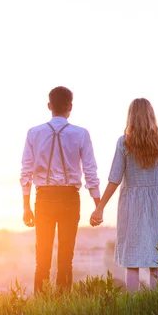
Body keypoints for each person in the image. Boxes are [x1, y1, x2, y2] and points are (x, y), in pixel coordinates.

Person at [20, 86, 101, 294]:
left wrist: (26, 207)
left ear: (49, 106)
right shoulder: (81, 134)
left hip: (44, 199)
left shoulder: (34, 133)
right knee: (66, 260)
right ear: (70, 107)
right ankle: (63, 306)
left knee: (43, 259)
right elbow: (90, 171)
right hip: (70, 199)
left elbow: (26, 173)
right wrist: (97, 206)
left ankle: (41, 307)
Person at [90, 98, 158, 292]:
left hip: (131, 206)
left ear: (130, 117)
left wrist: (100, 207)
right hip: (157, 203)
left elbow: (115, 178)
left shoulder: (124, 143)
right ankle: (157, 304)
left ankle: (132, 306)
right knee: (157, 261)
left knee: (132, 261)